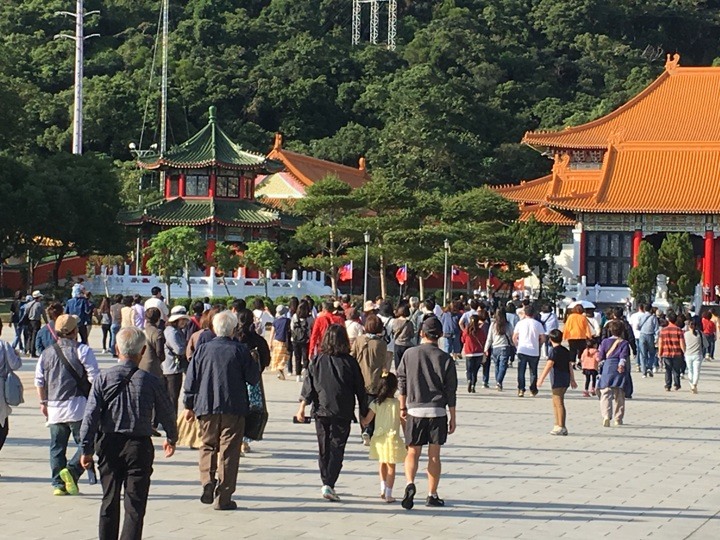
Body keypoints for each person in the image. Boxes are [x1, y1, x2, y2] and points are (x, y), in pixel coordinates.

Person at [79, 327, 177, 540]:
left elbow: (91, 416)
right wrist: (171, 437)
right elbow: (167, 411)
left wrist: (86, 450)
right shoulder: (150, 380)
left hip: (108, 443)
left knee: (109, 500)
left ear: (117, 349)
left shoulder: (103, 378)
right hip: (139, 445)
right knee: (135, 505)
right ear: (143, 351)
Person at [183, 310, 260, 511]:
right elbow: (253, 378)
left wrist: (188, 405)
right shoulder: (240, 350)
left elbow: (191, 380)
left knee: (207, 445)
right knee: (229, 451)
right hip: (233, 406)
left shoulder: (202, 350)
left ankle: (207, 481)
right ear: (233, 329)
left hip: (205, 405)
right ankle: (223, 497)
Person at [296, 325, 368, 502]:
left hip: (321, 409)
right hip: (342, 410)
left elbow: (309, 386)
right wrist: (364, 415)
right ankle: (329, 483)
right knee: (337, 447)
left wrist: (302, 406)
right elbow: (360, 390)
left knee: (324, 447)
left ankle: (326, 482)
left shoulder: (317, 360)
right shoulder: (350, 363)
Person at [34, 314, 100, 495]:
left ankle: (58, 484)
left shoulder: (46, 353)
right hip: (78, 405)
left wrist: (43, 402)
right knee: (87, 443)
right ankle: (71, 471)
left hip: (54, 407)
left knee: (57, 446)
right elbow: (94, 378)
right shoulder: (82, 350)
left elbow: (39, 381)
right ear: (75, 331)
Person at [397, 316, 457, 510]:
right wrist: (453, 416)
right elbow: (451, 391)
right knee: (434, 455)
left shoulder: (409, 354)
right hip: (437, 411)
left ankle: (409, 483)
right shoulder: (445, 358)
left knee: (412, 451)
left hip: (414, 409)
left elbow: (402, 382)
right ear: (439, 335)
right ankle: (432, 494)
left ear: (421, 333)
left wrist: (402, 407)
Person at [361, 372, 406, 504]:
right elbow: (403, 422)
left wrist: (361, 418)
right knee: (391, 466)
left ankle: (382, 488)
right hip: (392, 439)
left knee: (382, 463)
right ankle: (388, 493)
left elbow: (367, 420)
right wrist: (408, 438)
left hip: (379, 438)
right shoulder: (397, 404)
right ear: (395, 388)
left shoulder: (376, 403)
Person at [236, 309, 271, 455]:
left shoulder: (234, 339)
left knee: (237, 411)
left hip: (235, 380)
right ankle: (245, 441)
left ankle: (236, 440)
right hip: (253, 380)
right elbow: (267, 360)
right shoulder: (258, 340)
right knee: (251, 411)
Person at [351, 314, 389, 446]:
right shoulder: (382, 344)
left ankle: (364, 430)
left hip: (359, 379)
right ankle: (370, 430)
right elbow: (385, 364)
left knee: (362, 406)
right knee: (373, 406)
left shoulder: (359, 340)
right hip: (376, 380)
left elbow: (352, 356)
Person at [537, 329, 576, 435]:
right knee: (556, 402)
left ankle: (562, 426)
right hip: (565, 377)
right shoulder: (565, 350)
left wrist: (541, 378)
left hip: (558, 378)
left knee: (558, 402)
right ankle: (557, 424)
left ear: (550, 339)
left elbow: (549, 364)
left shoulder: (554, 351)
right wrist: (572, 379)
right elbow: (569, 365)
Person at [597, 320, 631, 427]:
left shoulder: (604, 342)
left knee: (605, 393)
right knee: (619, 394)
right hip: (618, 369)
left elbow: (601, 357)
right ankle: (618, 418)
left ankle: (606, 416)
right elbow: (623, 356)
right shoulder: (624, 343)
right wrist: (621, 365)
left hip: (607, 367)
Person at [513, 306, 546, 398]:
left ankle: (521, 389)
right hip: (534, 350)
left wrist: (517, 345)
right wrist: (539, 344)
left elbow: (514, 337)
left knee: (521, 371)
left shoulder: (520, 323)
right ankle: (533, 389)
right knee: (533, 371)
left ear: (525, 313)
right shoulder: (538, 324)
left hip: (522, 350)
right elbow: (543, 338)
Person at [162, 306, 190, 415]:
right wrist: (188, 346)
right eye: (183, 320)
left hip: (172, 367)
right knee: (172, 397)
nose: (185, 322)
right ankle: (172, 420)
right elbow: (179, 350)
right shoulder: (172, 332)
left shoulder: (175, 331)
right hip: (172, 368)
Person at [0, 337, 22, 457]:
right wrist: (16, 355)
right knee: (2, 428)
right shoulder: (3, 345)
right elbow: (15, 364)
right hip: (0, 390)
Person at [484, 307, 514, 391]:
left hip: (495, 347)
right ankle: (499, 382)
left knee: (497, 366)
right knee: (503, 366)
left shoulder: (493, 325)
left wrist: (486, 349)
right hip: (504, 347)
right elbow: (512, 336)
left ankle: (498, 382)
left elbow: (489, 338)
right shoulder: (508, 325)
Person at [658, 312, 686, 392]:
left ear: (668, 319)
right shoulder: (679, 330)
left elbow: (660, 343)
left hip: (666, 353)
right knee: (676, 369)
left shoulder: (663, 331)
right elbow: (682, 342)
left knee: (668, 369)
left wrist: (660, 353)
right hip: (677, 352)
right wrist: (684, 351)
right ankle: (677, 384)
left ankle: (668, 385)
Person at [629, 303, 658, 377]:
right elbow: (656, 329)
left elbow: (637, 327)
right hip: (650, 335)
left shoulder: (641, 317)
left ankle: (644, 372)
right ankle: (649, 366)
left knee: (643, 354)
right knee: (652, 353)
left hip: (642, 335)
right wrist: (656, 338)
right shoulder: (653, 317)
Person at [461, 313, 487, 393]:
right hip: (478, 353)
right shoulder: (480, 331)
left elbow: (462, 339)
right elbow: (484, 340)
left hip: (469, 352)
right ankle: (473, 385)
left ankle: (469, 380)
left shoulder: (466, 330)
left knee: (469, 369)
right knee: (475, 371)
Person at [290, 301, 313, 382]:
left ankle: (298, 375)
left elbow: (292, 328)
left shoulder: (295, 316)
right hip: (305, 340)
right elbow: (311, 328)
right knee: (305, 356)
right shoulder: (310, 318)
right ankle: (305, 368)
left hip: (295, 340)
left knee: (297, 358)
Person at [684, 318, 706, 394]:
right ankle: (694, 384)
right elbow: (706, 344)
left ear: (689, 326)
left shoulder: (685, 334)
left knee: (690, 371)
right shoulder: (700, 333)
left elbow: (683, 344)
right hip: (698, 354)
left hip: (688, 354)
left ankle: (691, 385)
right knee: (696, 371)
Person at [269, 305, 291, 380]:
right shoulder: (288, 320)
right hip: (284, 340)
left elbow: (272, 332)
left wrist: (270, 342)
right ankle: (280, 370)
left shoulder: (275, 321)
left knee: (277, 357)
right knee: (284, 357)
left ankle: (279, 371)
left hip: (276, 340)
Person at [392, 304, 415, 370]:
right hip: (407, 345)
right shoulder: (409, 323)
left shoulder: (395, 321)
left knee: (398, 364)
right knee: (406, 364)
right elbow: (412, 335)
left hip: (397, 344)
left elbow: (393, 331)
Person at [26, 290, 47, 357]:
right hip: (36, 322)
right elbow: (43, 314)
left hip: (29, 321)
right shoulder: (40, 304)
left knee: (30, 336)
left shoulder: (29, 304)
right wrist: (47, 322)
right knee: (35, 337)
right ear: (38, 297)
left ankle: (28, 350)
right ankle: (33, 352)